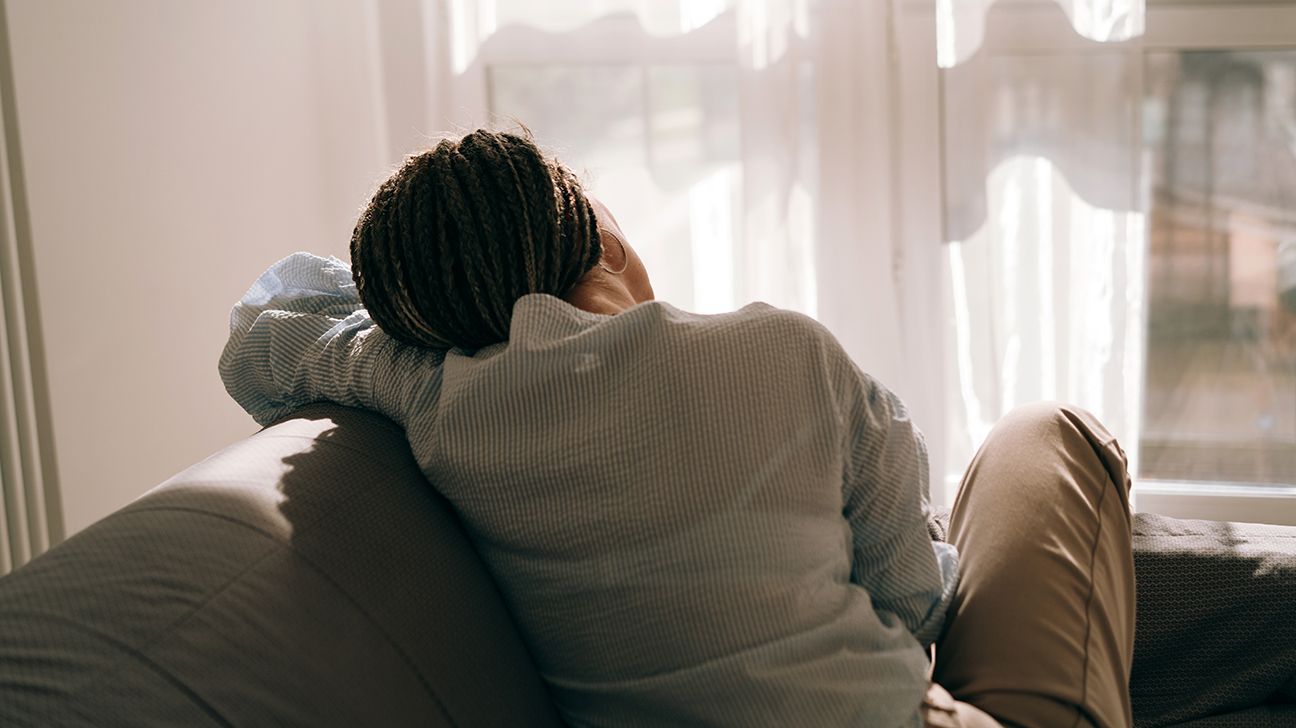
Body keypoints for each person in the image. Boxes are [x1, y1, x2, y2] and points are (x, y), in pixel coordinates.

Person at [220, 129, 1136, 727]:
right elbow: (912, 598)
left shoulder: (433, 397)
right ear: (609, 244)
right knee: (1036, 433)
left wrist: (426, 309)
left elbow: (262, 336)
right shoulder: (789, 351)